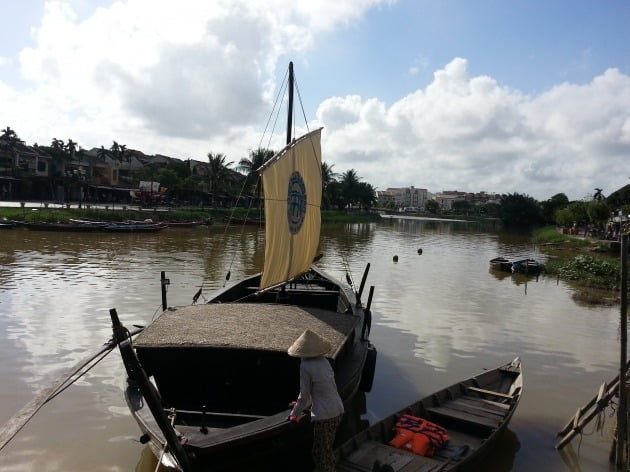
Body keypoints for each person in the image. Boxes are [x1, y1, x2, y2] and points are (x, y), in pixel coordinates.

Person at [288, 329, 344, 472]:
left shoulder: (306, 365)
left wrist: (294, 414)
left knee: (319, 454)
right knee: (326, 449)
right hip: (338, 409)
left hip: (325, 415)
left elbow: (305, 394)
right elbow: (319, 389)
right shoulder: (324, 361)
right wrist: (303, 405)